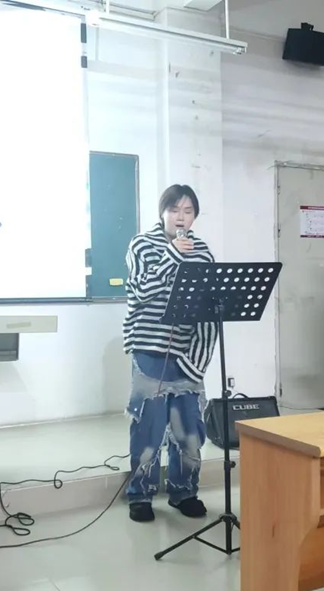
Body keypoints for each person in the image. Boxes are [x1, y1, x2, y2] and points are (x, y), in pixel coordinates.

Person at [122, 184, 217, 523]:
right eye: (174, 210)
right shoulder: (142, 244)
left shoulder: (202, 251)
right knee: (148, 427)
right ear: (162, 212)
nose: (181, 217)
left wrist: (198, 360)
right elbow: (140, 291)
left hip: (188, 354)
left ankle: (184, 492)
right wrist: (173, 254)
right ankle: (140, 495)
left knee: (189, 430)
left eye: (188, 211)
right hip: (150, 350)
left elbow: (209, 309)